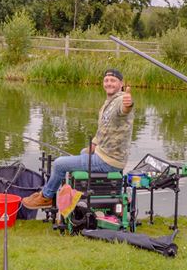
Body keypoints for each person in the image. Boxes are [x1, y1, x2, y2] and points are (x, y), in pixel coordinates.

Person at [22, 68, 135, 209]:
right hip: (106, 153)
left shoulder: (120, 100)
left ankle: (46, 197)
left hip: (109, 160)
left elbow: (124, 109)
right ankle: (83, 196)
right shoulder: (109, 101)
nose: (109, 83)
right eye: (106, 80)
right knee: (83, 152)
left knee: (59, 164)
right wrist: (93, 145)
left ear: (121, 84)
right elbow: (104, 129)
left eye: (113, 80)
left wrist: (128, 104)